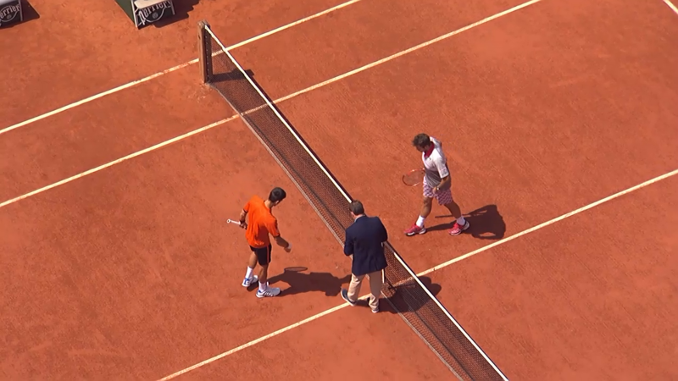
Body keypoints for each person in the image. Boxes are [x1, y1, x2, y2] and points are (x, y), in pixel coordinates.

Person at [404, 133, 470, 237]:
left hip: (440, 184)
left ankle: (462, 223)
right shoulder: (432, 140)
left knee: (449, 203)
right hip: (428, 179)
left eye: (418, 147)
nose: (417, 149)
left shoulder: (437, 158)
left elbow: (446, 178)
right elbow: (440, 143)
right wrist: (428, 169)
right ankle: (419, 225)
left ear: (426, 146)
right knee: (426, 201)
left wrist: (438, 187)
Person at [238, 187, 292, 298]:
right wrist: (287, 245)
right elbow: (277, 239)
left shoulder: (254, 200)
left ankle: (248, 278)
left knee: (254, 253)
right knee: (264, 267)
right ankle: (262, 290)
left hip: (250, 238)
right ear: (277, 202)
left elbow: (242, 213)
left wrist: (242, 222)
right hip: (262, 245)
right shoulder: (270, 220)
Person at [340, 200, 388, 313]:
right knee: (376, 283)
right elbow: (384, 237)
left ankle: (351, 298)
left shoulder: (351, 231)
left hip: (360, 262)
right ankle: (374, 306)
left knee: (356, 280)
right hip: (376, 260)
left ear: (352, 213)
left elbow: (347, 251)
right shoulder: (376, 221)